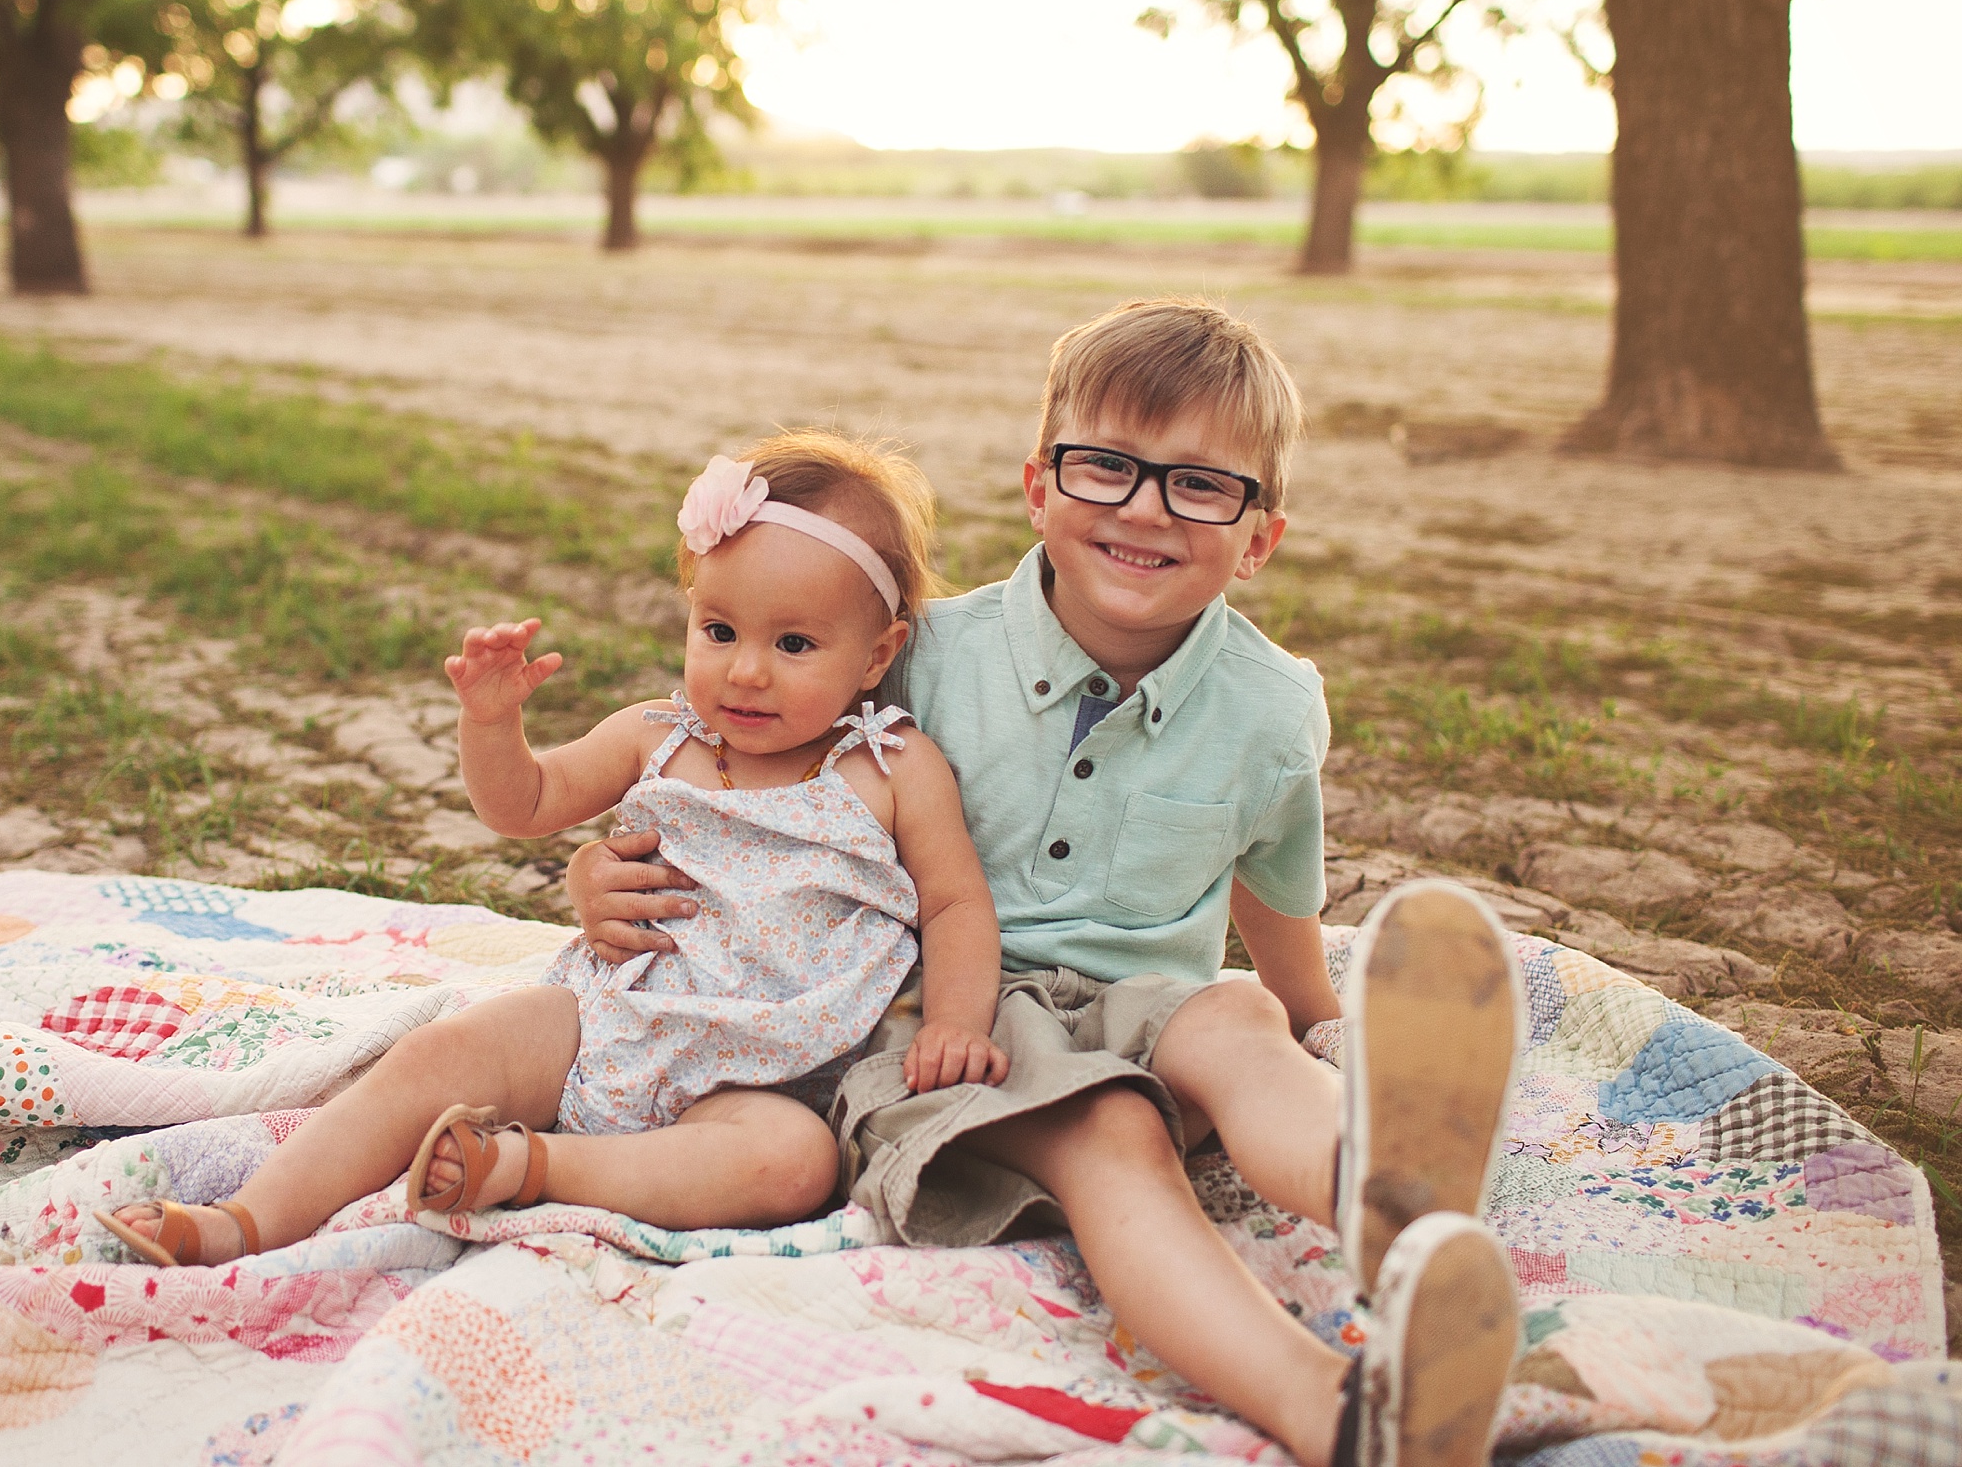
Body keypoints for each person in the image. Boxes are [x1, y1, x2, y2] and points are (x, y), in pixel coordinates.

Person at [569, 300, 1528, 1467]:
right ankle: (1335, 1411)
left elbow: (1274, 882)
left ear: (1261, 535)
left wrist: (1318, 1016)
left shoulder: (1276, 708)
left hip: (1152, 1014)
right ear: (1039, 486)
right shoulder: (922, 657)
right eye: (1107, 467)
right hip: (950, 1037)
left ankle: (1384, 1181)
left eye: (1200, 485)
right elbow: (746, 775)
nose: (1144, 508)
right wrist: (600, 869)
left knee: (1240, 1015)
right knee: (1110, 1128)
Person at [100, 429, 1011, 1268]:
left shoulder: (891, 767)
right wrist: (493, 724)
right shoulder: (656, 733)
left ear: (874, 654)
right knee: (436, 1057)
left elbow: (954, 904)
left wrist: (955, 1024)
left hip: (761, 1075)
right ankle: (242, 1222)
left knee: (791, 1168)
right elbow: (524, 804)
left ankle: (529, 1167)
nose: (744, 670)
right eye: (719, 630)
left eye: (795, 643)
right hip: (597, 1019)